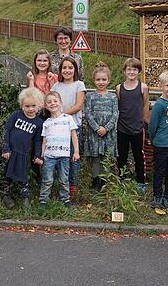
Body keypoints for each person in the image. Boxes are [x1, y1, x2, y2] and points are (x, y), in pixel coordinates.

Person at [0, 88, 44, 209]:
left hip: (22, 154)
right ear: (22, 106)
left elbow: (37, 141)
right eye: (27, 106)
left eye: (33, 105)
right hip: (9, 151)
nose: (30, 109)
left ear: (39, 105)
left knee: (22, 177)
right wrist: (5, 148)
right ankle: (6, 196)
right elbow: (6, 130)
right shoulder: (16, 115)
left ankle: (25, 198)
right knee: (6, 175)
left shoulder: (39, 123)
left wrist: (38, 155)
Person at [37, 91, 80, 207]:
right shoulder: (46, 123)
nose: (53, 104)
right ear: (46, 106)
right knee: (47, 180)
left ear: (60, 103)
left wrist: (76, 151)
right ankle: (43, 200)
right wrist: (41, 156)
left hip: (64, 156)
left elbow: (74, 135)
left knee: (63, 179)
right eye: (49, 102)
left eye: (55, 101)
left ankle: (65, 199)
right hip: (49, 156)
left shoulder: (68, 118)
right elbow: (44, 141)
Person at [52, 56, 86, 199]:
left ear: (75, 70)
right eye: (64, 68)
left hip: (73, 127)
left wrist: (62, 115)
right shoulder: (56, 86)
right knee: (59, 157)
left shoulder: (79, 85)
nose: (67, 70)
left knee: (74, 157)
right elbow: (51, 103)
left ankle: (73, 187)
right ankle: (60, 186)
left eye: (70, 68)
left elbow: (78, 106)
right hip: (58, 128)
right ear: (60, 70)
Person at [147, 71, 168, 212]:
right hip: (162, 144)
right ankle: (157, 196)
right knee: (160, 172)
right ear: (161, 86)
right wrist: (154, 139)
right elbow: (153, 125)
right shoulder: (159, 105)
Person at [115, 57, 149, 192]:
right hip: (122, 127)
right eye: (129, 69)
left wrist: (144, 123)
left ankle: (141, 181)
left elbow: (145, 106)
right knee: (122, 155)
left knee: (138, 155)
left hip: (137, 128)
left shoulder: (143, 87)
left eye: (135, 69)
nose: (132, 72)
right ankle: (122, 177)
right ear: (124, 71)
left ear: (138, 71)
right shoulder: (119, 88)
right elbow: (119, 106)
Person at [83, 62, 118, 191]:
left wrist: (106, 128)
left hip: (108, 134)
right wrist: (97, 128)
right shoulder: (90, 96)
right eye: (98, 79)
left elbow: (115, 114)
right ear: (94, 80)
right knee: (96, 157)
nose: (101, 82)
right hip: (94, 133)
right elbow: (87, 113)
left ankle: (105, 182)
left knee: (106, 156)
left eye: (104, 79)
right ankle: (95, 181)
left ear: (108, 80)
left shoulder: (113, 97)